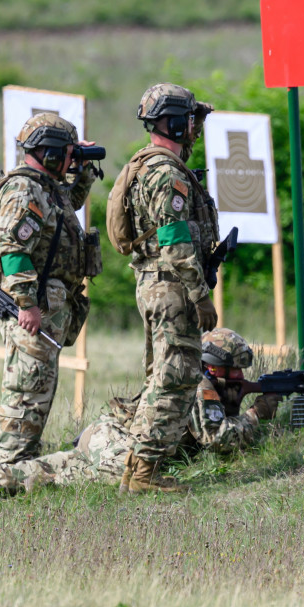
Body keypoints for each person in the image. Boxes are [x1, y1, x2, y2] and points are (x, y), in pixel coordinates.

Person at [0, 328, 281, 497]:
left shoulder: (186, 376)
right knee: (28, 485)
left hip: (104, 437)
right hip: (117, 454)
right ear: (217, 367)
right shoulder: (198, 386)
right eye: (236, 371)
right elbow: (221, 440)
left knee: (19, 475)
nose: (242, 377)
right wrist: (258, 414)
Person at [110, 83, 220, 493]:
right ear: (175, 123)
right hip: (172, 287)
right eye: (190, 121)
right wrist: (200, 294)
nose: (195, 128)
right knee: (175, 376)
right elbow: (174, 241)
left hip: (157, 284)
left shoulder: (151, 166)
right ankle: (142, 476)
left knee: (162, 376)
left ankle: (138, 469)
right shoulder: (167, 174)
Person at [0, 113, 101, 463]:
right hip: (34, 307)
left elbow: (70, 203)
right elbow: (13, 250)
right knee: (26, 387)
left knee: (39, 384)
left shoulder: (46, 188)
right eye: (66, 152)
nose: (70, 158)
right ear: (50, 154)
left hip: (48, 307)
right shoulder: (24, 190)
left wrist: (82, 167)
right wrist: (27, 304)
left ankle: (23, 459)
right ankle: (11, 464)